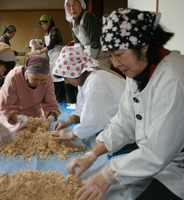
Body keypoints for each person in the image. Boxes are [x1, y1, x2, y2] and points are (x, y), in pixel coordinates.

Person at [67, 8, 184, 200]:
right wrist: (92, 155)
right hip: (157, 157)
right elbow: (124, 124)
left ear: (144, 45)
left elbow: (158, 151)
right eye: (110, 56)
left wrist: (109, 175)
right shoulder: (137, 72)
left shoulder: (174, 78)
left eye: (118, 54)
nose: (114, 63)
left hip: (177, 163)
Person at [51, 44, 126, 177]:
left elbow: (93, 121)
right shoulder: (85, 81)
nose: (66, 82)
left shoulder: (95, 82)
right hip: (110, 119)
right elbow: (81, 109)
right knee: (90, 138)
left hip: (126, 127)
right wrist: (68, 121)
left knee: (101, 147)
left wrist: (70, 134)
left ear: (74, 72)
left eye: (66, 77)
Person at [0, 55, 61, 134]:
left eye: (42, 80)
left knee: (37, 128)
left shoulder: (48, 79)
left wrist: (50, 119)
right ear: (27, 72)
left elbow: (51, 103)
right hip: (11, 112)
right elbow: (6, 107)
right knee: (15, 131)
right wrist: (21, 119)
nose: (39, 83)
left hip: (32, 110)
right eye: (35, 79)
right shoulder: (14, 77)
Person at [30, 14, 69, 104]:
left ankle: (59, 98)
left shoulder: (54, 30)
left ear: (49, 22)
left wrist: (39, 52)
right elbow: (45, 45)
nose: (43, 26)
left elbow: (51, 45)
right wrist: (36, 45)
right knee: (54, 76)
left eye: (44, 24)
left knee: (58, 77)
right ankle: (56, 97)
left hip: (58, 55)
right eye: (42, 25)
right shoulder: (47, 32)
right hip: (52, 56)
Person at [64, 0, 111, 70]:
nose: (72, 8)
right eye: (69, 6)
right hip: (88, 53)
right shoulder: (72, 24)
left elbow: (95, 44)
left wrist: (88, 62)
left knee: (98, 77)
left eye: (74, 4)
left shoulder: (88, 17)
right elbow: (78, 45)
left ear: (81, 4)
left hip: (100, 54)